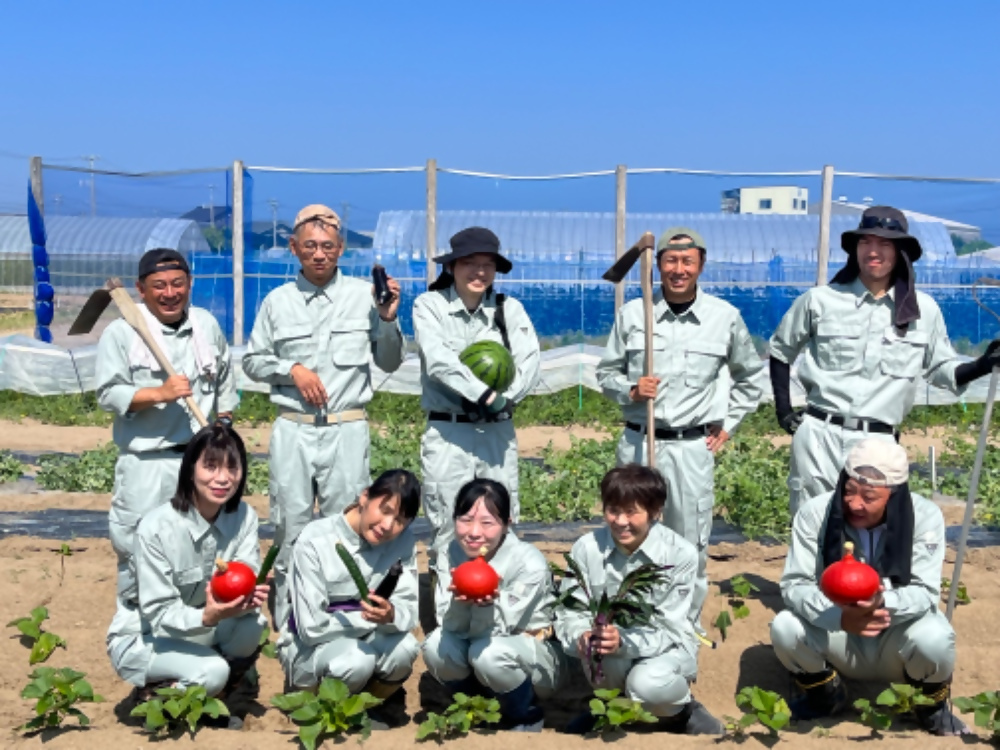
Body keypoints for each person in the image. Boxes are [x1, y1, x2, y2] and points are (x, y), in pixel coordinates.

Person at [769, 205, 1000, 514]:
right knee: (812, 530)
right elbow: (781, 351)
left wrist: (982, 365)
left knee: (870, 535)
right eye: (866, 242)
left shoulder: (924, 311)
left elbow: (941, 370)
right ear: (855, 249)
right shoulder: (821, 300)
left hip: (878, 442)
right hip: (819, 436)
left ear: (900, 252)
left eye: (884, 244)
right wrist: (784, 412)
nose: (873, 252)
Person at [596, 228, 763, 637]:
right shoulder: (635, 315)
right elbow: (606, 373)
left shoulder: (723, 317)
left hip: (690, 448)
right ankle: (631, 624)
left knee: (688, 542)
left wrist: (728, 423)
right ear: (658, 265)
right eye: (670, 261)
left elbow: (750, 377)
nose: (678, 269)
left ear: (701, 265)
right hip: (639, 442)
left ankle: (682, 631)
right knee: (629, 532)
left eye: (687, 261)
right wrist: (632, 390)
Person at [242, 205, 404, 611]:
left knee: (347, 521)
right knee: (288, 523)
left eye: (328, 246)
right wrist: (291, 369)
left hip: (346, 428)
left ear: (341, 248)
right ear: (294, 248)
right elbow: (252, 360)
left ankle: (339, 609)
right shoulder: (277, 302)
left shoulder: (364, 297)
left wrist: (387, 320)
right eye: (310, 246)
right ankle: (291, 617)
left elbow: (389, 361)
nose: (319, 254)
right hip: (293, 427)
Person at [769, 439, 966, 735]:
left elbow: (925, 592)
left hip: (893, 636)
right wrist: (839, 617)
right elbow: (796, 584)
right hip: (837, 632)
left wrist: (880, 604)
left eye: (869, 497)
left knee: (936, 638)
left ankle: (928, 706)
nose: (854, 503)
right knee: (785, 627)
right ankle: (826, 695)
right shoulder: (814, 513)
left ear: (894, 497)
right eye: (848, 491)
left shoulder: (925, 517)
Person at [96, 248, 237, 600]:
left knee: (202, 549)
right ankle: (138, 637)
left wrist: (224, 426)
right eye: (159, 285)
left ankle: (196, 630)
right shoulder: (122, 332)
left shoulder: (205, 325)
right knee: (139, 552)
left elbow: (225, 384)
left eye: (178, 283)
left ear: (190, 285)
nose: (170, 293)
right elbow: (108, 394)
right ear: (140, 290)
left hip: (201, 465)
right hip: (148, 465)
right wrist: (159, 392)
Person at [106, 424, 268, 715]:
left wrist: (248, 594)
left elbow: (244, 575)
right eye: (210, 466)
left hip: (199, 626)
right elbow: (158, 614)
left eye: (232, 467)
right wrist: (207, 616)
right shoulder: (155, 528)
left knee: (252, 627)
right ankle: (149, 698)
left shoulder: (244, 517)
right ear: (190, 469)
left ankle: (220, 694)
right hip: (146, 635)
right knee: (212, 671)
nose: (222, 478)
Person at [554, 464, 723, 735]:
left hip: (667, 648)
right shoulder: (586, 549)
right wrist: (581, 634)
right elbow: (569, 611)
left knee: (647, 685)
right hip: (608, 651)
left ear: (655, 512)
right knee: (603, 655)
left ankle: (681, 712)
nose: (621, 521)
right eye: (613, 510)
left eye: (631, 512)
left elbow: (670, 627)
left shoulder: (680, 555)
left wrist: (623, 641)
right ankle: (609, 708)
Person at [413, 227, 540, 557]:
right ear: (451, 266)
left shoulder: (508, 309)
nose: (479, 271)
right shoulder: (430, 306)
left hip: (496, 432)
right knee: (446, 525)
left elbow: (528, 363)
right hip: (448, 432)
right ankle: (447, 607)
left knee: (498, 522)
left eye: (487, 264)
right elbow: (438, 360)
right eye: (470, 262)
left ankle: (494, 605)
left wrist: (506, 398)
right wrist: (484, 395)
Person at [275, 469, 422, 729]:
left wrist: (392, 614)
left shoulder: (403, 541)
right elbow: (311, 629)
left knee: (405, 648)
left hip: (359, 640)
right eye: (384, 510)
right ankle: (312, 706)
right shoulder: (315, 540)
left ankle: (364, 709)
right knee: (357, 660)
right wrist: (369, 620)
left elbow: (408, 609)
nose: (388, 526)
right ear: (365, 497)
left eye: (400, 520)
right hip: (309, 649)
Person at [423, 478, 567, 732]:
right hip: (475, 645)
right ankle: (475, 705)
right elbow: (446, 618)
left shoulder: (528, 562)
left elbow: (503, 626)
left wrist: (486, 605)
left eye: (487, 523)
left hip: (530, 653)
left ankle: (524, 713)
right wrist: (459, 603)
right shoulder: (449, 552)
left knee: (490, 654)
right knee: (436, 646)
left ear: (506, 524)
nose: (474, 532)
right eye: (466, 520)